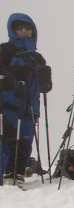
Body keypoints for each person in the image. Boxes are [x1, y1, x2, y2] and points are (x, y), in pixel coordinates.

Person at [1, 13, 52, 189]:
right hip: (8, 103)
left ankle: (18, 173)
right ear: (13, 30)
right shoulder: (5, 50)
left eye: (27, 28)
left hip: (30, 106)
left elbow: (44, 88)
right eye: (19, 28)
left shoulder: (37, 57)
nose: (24, 31)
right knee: (7, 139)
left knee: (25, 140)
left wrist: (46, 78)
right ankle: (6, 172)